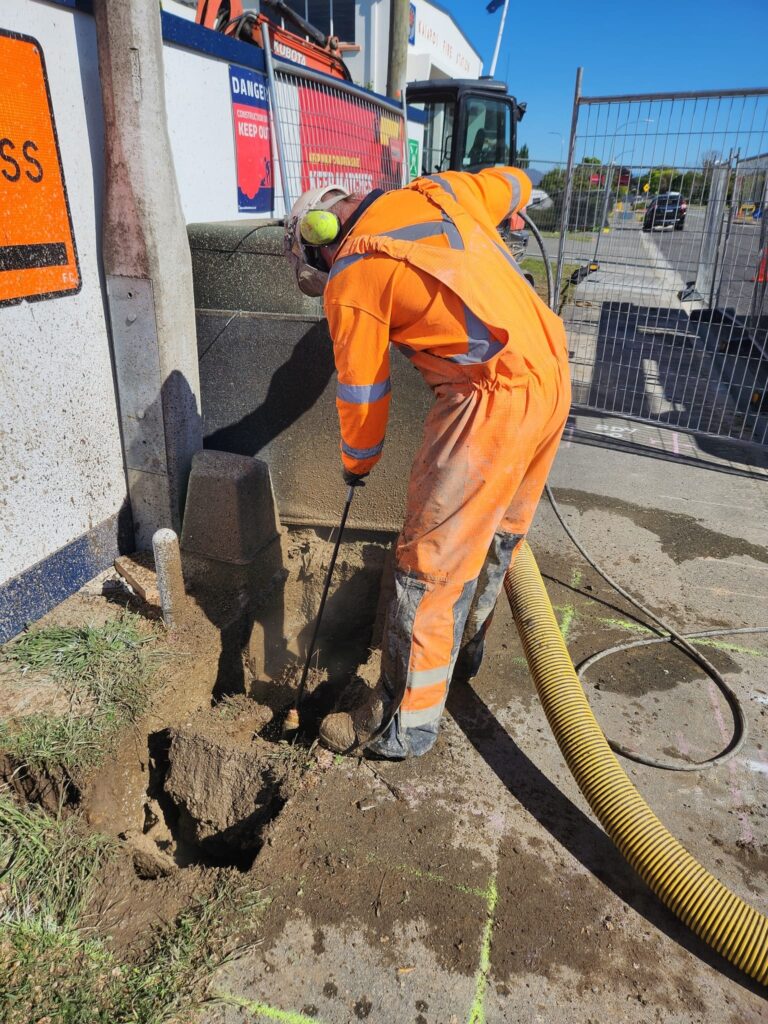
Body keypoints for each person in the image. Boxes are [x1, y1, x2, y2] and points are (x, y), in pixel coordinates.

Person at [285, 168, 571, 759]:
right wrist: (521, 200)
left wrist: (357, 467)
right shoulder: (439, 190)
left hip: (487, 403)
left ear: (319, 237)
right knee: (499, 535)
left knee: (429, 564)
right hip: (551, 373)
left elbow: (363, 392)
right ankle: (460, 659)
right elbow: (514, 181)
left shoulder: (353, 272)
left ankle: (402, 723)